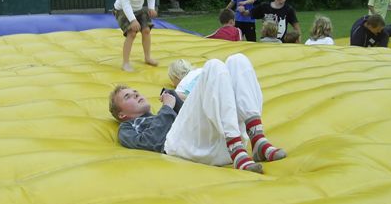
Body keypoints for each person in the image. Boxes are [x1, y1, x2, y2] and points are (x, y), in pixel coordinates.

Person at [109, 54, 287, 174]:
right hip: (179, 148)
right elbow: (149, 142)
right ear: (122, 114)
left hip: (218, 145)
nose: (136, 94)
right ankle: (236, 147)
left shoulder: (159, 115)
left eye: (135, 91)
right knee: (213, 66)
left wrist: (177, 101)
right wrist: (168, 108)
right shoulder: (127, 128)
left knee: (237, 60)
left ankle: (257, 138)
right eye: (127, 97)